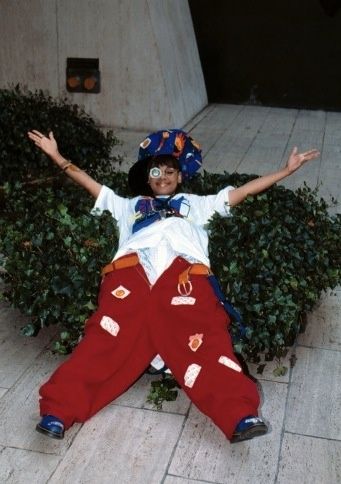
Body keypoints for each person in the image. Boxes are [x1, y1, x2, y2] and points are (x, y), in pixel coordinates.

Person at [27, 128, 319, 444]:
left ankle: (239, 414)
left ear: (179, 176)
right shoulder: (129, 206)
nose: (163, 176)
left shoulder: (198, 205)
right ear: (147, 176)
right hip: (131, 273)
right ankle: (58, 411)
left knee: (207, 338)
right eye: (156, 171)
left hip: (185, 277)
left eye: (170, 171)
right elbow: (90, 184)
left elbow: (244, 192)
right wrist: (57, 157)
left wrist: (286, 171)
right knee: (104, 337)